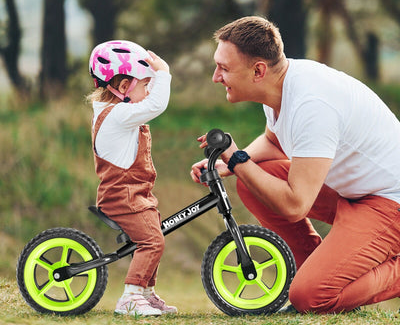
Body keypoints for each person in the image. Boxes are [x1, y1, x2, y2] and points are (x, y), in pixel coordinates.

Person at [191, 16, 400, 314]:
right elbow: (274, 142)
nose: (216, 77)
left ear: (258, 70)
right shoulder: (280, 85)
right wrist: (230, 166)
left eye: (224, 68)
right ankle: (315, 267)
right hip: (352, 192)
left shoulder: (312, 104)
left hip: (389, 202)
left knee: (310, 298)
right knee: (252, 181)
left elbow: (294, 205)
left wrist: (237, 157)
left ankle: (322, 284)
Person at [88, 40, 177, 316]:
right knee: (153, 241)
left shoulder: (120, 113)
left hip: (136, 195)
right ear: (123, 87)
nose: (149, 90)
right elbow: (156, 105)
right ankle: (131, 297)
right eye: (145, 84)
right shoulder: (117, 115)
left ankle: (146, 293)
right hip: (122, 197)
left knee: (154, 237)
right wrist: (164, 74)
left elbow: (149, 104)